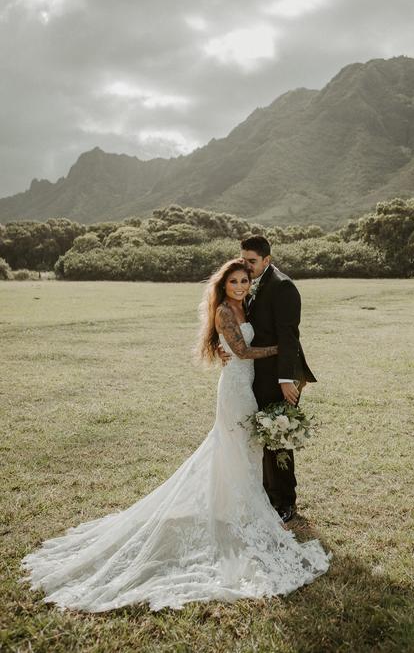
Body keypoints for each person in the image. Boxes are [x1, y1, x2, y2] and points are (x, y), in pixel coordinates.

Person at [19, 259, 330, 612]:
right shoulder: (225, 313)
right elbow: (241, 352)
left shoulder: (246, 306)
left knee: (247, 448)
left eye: (245, 280)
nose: (241, 286)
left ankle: (236, 507)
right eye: (234, 282)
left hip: (247, 386)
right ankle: (239, 512)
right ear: (223, 286)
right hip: (234, 390)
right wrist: (279, 351)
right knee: (233, 445)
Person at [219, 237, 316, 524]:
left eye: (251, 261)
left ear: (267, 260)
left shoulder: (283, 286)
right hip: (254, 375)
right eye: (243, 259)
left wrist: (287, 379)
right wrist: (221, 349)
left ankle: (286, 501)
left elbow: (289, 335)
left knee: (279, 438)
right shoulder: (247, 287)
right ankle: (266, 495)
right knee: (262, 437)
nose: (246, 267)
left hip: (279, 376)